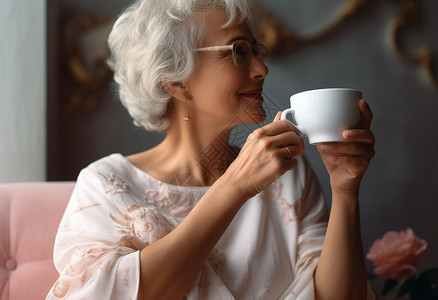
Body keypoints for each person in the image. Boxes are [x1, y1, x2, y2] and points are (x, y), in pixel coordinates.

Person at [47, 0, 376, 299]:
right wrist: (235, 187)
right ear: (177, 81)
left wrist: (345, 190)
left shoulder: (288, 171)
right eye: (239, 51)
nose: (262, 69)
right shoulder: (106, 183)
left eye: (256, 50)